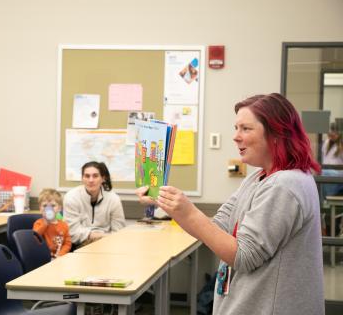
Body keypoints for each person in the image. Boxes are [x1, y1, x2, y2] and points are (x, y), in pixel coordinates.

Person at [137, 93, 324, 315]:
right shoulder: (258, 178)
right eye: (236, 128)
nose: (235, 137)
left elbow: (244, 256)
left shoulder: (284, 184)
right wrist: (167, 202)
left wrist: (187, 211)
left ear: (276, 133)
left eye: (245, 129)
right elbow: (217, 228)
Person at [64, 161, 126, 248]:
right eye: (87, 176)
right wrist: (103, 236)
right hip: (79, 245)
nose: (91, 180)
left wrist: (105, 239)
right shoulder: (71, 197)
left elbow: (119, 232)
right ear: (82, 179)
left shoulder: (113, 199)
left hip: (107, 245)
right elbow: (72, 233)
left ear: (103, 178)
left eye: (95, 176)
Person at [33, 188, 71, 257]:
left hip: (59, 257)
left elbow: (67, 243)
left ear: (59, 208)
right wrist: (45, 224)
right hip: (43, 257)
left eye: (53, 206)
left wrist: (60, 254)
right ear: (40, 208)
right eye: (45, 206)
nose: (49, 209)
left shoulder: (64, 225)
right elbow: (34, 239)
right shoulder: (38, 223)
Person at [321, 122, 343, 197]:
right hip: (326, 173)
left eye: (334, 134)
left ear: (338, 133)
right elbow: (324, 158)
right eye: (330, 134)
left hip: (337, 174)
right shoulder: (327, 143)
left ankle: (330, 197)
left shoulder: (341, 145)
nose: (331, 136)